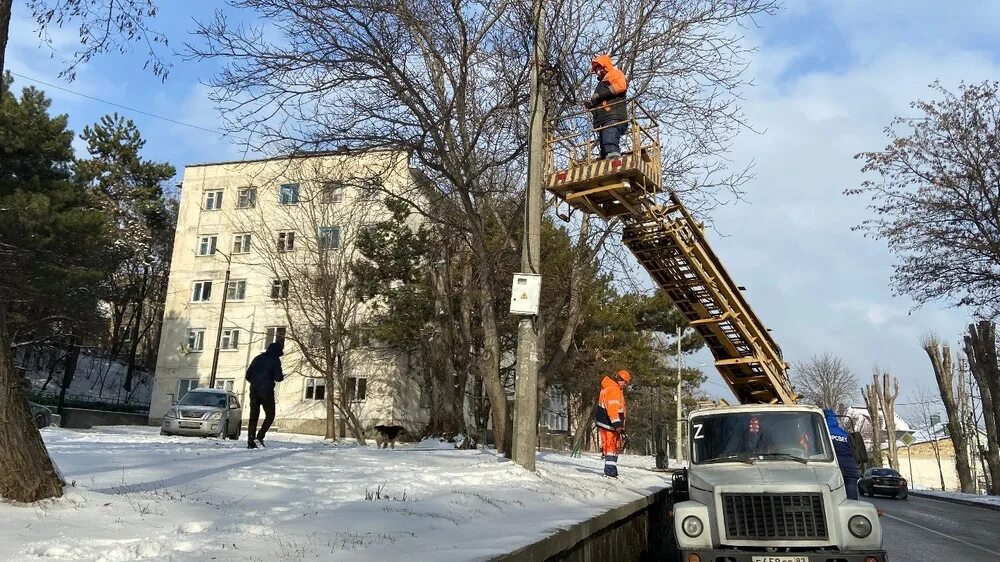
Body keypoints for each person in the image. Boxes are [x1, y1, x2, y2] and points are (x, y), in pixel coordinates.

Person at [583, 54, 629, 160]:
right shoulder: (602, 84)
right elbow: (602, 101)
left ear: (605, 66)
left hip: (613, 115)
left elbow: (621, 86)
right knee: (605, 142)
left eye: (599, 68)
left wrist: (599, 95)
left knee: (609, 137)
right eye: (596, 69)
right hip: (605, 118)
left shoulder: (615, 74)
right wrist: (592, 104)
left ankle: (613, 156)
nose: (597, 71)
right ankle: (606, 159)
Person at [245, 340, 285, 449]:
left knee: (253, 416)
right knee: (270, 414)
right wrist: (281, 376)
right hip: (266, 391)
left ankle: (250, 440)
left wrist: (255, 383)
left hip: (253, 390)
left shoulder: (257, 358)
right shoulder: (275, 360)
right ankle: (260, 436)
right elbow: (278, 377)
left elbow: (248, 375)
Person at [595, 369, 632, 477]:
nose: (625, 385)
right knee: (612, 447)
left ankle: (610, 470)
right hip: (611, 424)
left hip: (605, 423)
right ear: (621, 380)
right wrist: (618, 426)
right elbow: (612, 410)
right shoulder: (614, 390)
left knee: (609, 447)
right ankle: (610, 471)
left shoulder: (607, 387)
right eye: (625, 383)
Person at [825, 408, 861, 500]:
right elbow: (854, 450)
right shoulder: (845, 433)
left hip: (834, 468)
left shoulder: (824, 432)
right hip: (851, 467)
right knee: (852, 498)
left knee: (832, 498)